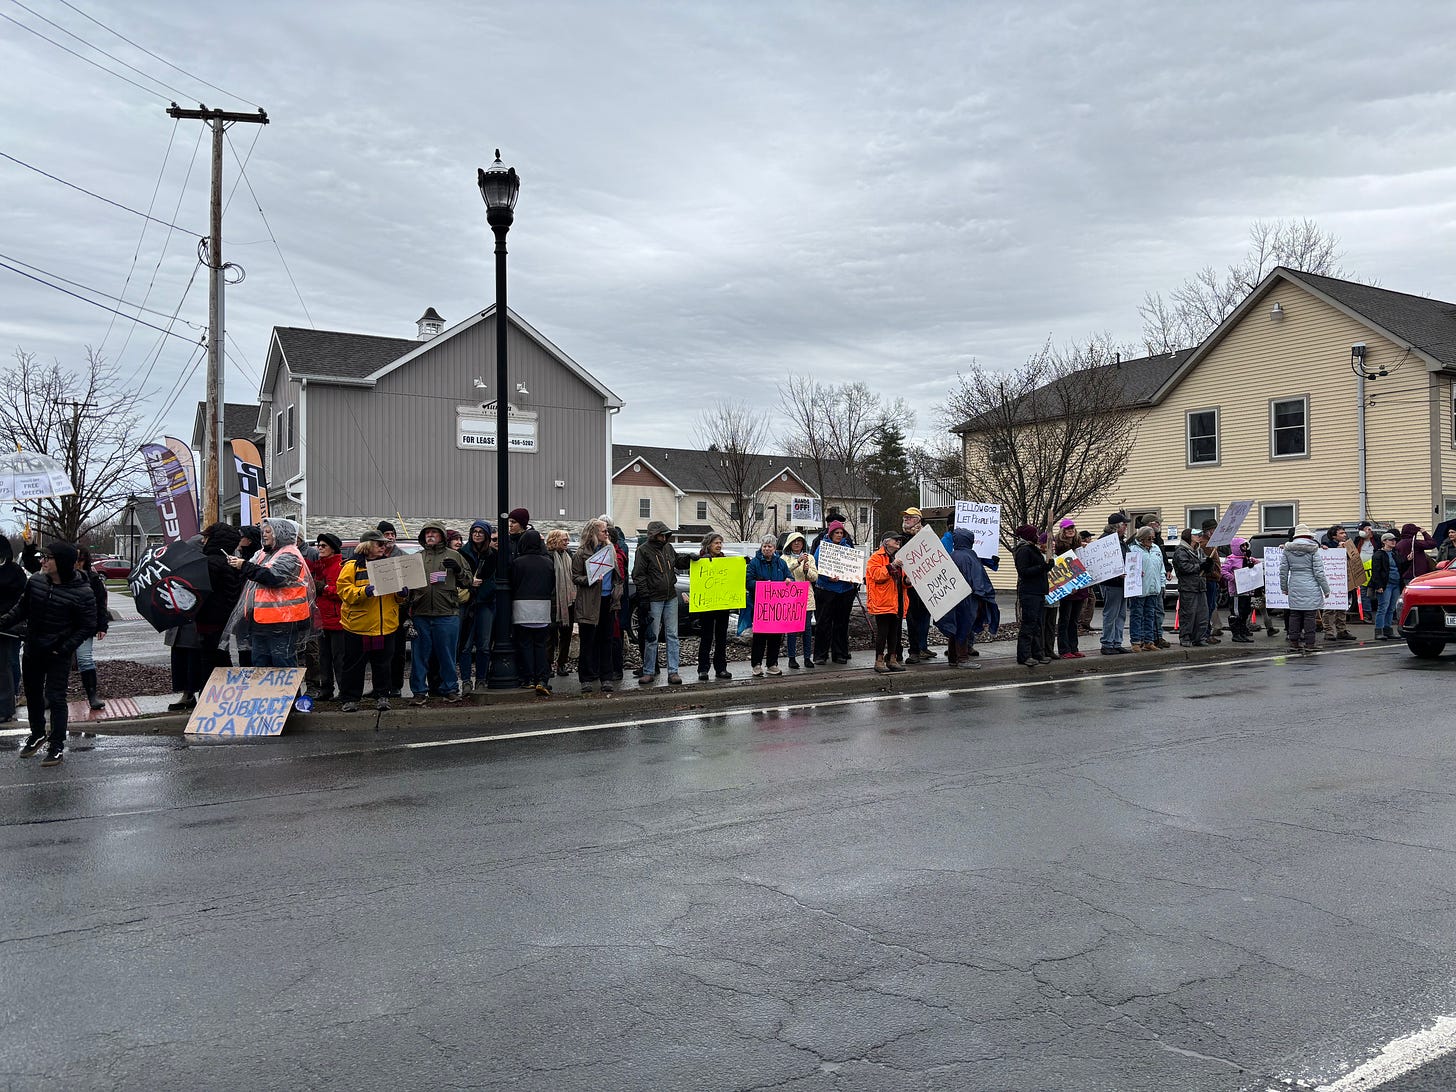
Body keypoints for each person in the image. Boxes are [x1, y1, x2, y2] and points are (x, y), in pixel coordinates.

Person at [1, 541, 95, 766]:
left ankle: (56, 745)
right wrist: (2, 622)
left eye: (47, 558)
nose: (42, 561)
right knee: (33, 695)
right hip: (33, 648)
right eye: (42, 557)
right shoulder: (36, 582)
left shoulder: (83, 591)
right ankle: (37, 734)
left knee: (55, 697)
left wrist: (63, 648)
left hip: (58, 653)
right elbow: (21, 610)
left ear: (61, 562)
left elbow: (87, 626)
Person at [226, 517, 314, 668]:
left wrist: (244, 566)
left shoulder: (290, 554)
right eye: (263, 532)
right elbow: (251, 573)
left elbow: (273, 577)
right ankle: (265, 693)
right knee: (261, 665)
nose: (264, 535)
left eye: (268, 531)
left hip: (283, 621)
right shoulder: (263, 553)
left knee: (283, 666)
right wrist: (237, 565)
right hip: (262, 620)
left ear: (280, 533)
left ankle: (289, 693)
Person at [335, 530, 404, 712]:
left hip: (385, 626)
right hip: (359, 626)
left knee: (383, 664)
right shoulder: (351, 567)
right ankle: (350, 698)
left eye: (384, 544)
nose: (383, 546)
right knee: (354, 665)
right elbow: (343, 592)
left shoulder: (389, 566)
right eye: (378, 544)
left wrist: (402, 594)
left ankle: (382, 696)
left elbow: (396, 598)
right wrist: (363, 592)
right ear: (367, 546)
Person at [407, 521, 468, 705]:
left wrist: (457, 570)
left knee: (447, 655)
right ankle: (419, 692)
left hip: (447, 613)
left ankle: (450, 689)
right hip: (421, 613)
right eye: (427, 533)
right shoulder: (416, 557)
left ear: (442, 535)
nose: (430, 535)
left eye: (434, 532)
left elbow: (468, 580)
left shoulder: (455, 556)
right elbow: (407, 585)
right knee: (419, 656)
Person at [633, 519, 690, 686]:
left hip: (670, 596)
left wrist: (690, 559)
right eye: (662, 535)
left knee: (672, 635)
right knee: (652, 636)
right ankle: (649, 671)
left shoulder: (668, 548)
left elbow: (677, 562)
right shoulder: (643, 551)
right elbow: (639, 575)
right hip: (653, 598)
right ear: (654, 535)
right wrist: (644, 598)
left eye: (665, 535)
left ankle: (673, 671)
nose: (664, 538)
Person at [572, 518, 622, 694]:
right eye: (603, 531)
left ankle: (606, 677)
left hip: (608, 600)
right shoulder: (581, 553)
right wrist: (590, 579)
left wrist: (618, 589)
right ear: (594, 533)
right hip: (589, 602)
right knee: (588, 642)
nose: (607, 533)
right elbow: (575, 577)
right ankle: (586, 678)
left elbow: (617, 575)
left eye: (607, 531)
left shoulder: (610, 551)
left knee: (606, 640)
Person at [193, 522, 244, 689]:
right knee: (219, 655)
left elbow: (204, 593)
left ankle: (215, 695)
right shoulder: (228, 562)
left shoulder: (211, 563)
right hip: (221, 618)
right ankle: (223, 693)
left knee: (211, 659)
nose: (203, 541)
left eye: (206, 537)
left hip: (211, 619)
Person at [938, 528, 997, 668]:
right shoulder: (969, 556)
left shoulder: (952, 555)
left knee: (955, 627)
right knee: (964, 627)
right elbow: (977, 579)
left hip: (953, 598)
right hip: (967, 599)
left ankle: (953, 658)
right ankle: (962, 658)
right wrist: (982, 596)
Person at [509, 528, 555, 696]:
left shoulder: (517, 562)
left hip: (522, 606)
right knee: (541, 644)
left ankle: (528, 678)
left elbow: (512, 584)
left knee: (525, 644)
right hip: (542, 606)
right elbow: (552, 585)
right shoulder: (548, 562)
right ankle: (542, 679)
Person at [457, 520, 497, 691]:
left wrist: (483, 591)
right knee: (465, 644)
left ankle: (481, 679)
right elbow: (455, 578)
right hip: (466, 603)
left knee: (484, 645)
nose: (478, 534)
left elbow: (496, 581)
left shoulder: (494, 555)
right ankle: (466, 680)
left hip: (486, 603)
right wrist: (469, 584)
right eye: (475, 531)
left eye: (481, 532)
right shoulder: (462, 554)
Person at [1281, 524, 1331, 655]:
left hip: (1295, 584)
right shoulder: (1313, 550)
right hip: (1311, 586)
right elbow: (1319, 573)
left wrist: (1284, 588)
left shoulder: (1287, 550)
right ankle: (1310, 644)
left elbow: (1283, 571)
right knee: (1309, 616)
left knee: (1294, 615)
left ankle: (1294, 643)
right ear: (1308, 536)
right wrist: (1326, 589)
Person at [812, 520, 858, 665]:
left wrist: (853, 578)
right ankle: (820, 654)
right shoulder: (822, 548)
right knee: (823, 623)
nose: (839, 535)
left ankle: (840, 653)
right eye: (836, 532)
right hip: (826, 590)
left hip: (844, 590)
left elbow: (853, 567)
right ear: (830, 534)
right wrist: (827, 577)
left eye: (841, 533)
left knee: (841, 623)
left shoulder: (848, 548)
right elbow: (817, 567)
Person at [745, 534, 791, 676]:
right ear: (761, 547)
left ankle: (772, 664)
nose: (767, 549)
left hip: (777, 607)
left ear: (774, 548)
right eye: (764, 546)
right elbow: (748, 582)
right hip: (760, 606)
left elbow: (789, 577)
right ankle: (757, 665)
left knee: (776, 637)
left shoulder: (781, 563)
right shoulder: (754, 563)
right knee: (759, 637)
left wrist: (789, 579)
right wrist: (763, 585)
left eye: (769, 546)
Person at [692, 532, 735, 682]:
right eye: (716, 543)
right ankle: (703, 669)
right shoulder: (701, 560)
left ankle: (721, 668)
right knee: (706, 637)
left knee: (721, 637)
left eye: (720, 543)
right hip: (707, 605)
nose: (719, 545)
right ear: (708, 544)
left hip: (722, 604)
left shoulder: (724, 561)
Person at [309, 533, 346, 701]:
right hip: (322, 620)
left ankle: (344, 691)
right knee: (323, 658)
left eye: (323, 545)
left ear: (333, 548)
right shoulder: (320, 566)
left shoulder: (339, 566)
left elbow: (342, 592)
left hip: (337, 621)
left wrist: (323, 588)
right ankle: (326, 689)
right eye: (318, 545)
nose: (319, 548)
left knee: (339, 659)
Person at [73, 547, 110, 712]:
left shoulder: (93, 579)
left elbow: (101, 603)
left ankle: (92, 695)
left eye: (80, 560)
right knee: (57, 661)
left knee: (85, 659)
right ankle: (49, 696)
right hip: (65, 625)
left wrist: (102, 626)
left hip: (84, 626)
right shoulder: (62, 578)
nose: (77, 564)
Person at [865, 534, 907, 674]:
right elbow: (877, 575)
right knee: (883, 632)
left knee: (895, 632)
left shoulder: (898, 557)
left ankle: (892, 659)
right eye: (895, 539)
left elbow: (903, 579)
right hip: (883, 601)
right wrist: (891, 566)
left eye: (899, 540)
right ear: (886, 542)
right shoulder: (876, 557)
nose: (898, 541)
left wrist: (907, 582)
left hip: (897, 600)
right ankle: (879, 660)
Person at [899, 508, 936, 663]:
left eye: (910, 517)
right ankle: (914, 651)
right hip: (910, 586)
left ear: (918, 519)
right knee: (912, 619)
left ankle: (922, 647)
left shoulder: (927, 536)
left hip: (926, 584)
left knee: (924, 618)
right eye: (905, 517)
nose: (906, 519)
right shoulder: (901, 538)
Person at [1013, 524, 1050, 667]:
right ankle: (1024, 655)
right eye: (1035, 533)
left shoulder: (1033, 549)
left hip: (1038, 591)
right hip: (1030, 593)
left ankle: (1037, 653)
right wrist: (1042, 567)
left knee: (1037, 625)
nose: (1037, 535)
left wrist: (1047, 566)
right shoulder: (1023, 550)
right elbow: (1024, 571)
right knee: (1028, 625)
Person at [1173, 527, 1214, 647]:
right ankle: (1185, 637)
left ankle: (1199, 637)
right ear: (1189, 537)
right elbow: (1184, 567)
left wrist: (1208, 565)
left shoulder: (1199, 551)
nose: (1199, 537)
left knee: (1202, 614)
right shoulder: (1181, 551)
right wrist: (1201, 566)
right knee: (1188, 614)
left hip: (1200, 586)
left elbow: (1204, 567)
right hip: (1188, 587)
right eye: (1196, 535)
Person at [782, 531, 817, 669]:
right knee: (791, 629)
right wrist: (798, 562)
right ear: (790, 544)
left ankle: (807, 657)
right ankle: (792, 657)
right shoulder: (784, 558)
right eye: (794, 541)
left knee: (807, 629)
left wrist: (808, 570)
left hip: (806, 597)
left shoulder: (810, 558)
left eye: (800, 541)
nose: (797, 543)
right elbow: (785, 572)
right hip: (790, 597)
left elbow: (815, 577)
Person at [544, 529, 576, 678]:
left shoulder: (569, 555)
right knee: (550, 636)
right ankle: (548, 664)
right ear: (555, 540)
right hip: (553, 601)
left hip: (568, 601)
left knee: (566, 634)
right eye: (564, 540)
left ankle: (561, 664)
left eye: (567, 540)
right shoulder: (547, 557)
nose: (567, 542)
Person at [0, 536, 26, 724]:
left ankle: (9, 702)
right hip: (7, 622)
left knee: (8, 664)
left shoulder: (15, 572)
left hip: (10, 624)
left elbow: (22, 600)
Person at [1319, 524, 1359, 641]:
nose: (1344, 535)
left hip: (1344, 580)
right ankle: (1328, 631)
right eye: (1341, 533)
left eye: (1344, 533)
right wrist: (1337, 550)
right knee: (1330, 607)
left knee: (1342, 606)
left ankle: (1341, 630)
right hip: (1332, 581)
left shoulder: (1348, 545)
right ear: (1333, 536)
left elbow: (1354, 559)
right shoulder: (1327, 546)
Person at [1126, 526, 1163, 652]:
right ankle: (1136, 641)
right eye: (1149, 538)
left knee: (1150, 615)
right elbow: (1129, 568)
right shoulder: (1133, 549)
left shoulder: (1156, 549)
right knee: (1137, 615)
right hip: (1139, 588)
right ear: (1141, 538)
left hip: (1153, 588)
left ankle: (1149, 640)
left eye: (1153, 538)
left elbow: (1160, 567)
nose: (1152, 540)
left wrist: (1161, 583)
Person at [1098, 513, 1131, 654]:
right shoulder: (1107, 541)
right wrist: (1117, 575)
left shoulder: (1120, 540)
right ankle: (1107, 643)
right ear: (1117, 526)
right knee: (1111, 614)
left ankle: (1116, 642)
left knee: (1121, 614)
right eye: (1124, 525)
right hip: (1112, 584)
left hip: (1122, 583)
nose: (1126, 527)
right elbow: (1104, 564)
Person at [1221, 537, 1256, 644]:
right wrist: (1233, 578)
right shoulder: (1231, 559)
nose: (1244, 547)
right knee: (1237, 612)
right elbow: (1223, 571)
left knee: (1245, 611)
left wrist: (1253, 562)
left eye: (1246, 545)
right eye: (1242, 546)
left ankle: (1242, 630)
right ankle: (1236, 634)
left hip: (1247, 590)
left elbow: (1257, 566)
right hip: (1236, 591)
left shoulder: (1246, 558)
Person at [1370, 532, 1402, 639]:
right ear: (1384, 542)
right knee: (1383, 607)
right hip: (1386, 584)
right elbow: (1376, 572)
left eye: (1394, 540)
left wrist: (1408, 560)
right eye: (1390, 540)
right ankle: (1379, 631)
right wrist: (1378, 586)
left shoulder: (1394, 553)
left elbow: (1400, 566)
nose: (1393, 541)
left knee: (1391, 608)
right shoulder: (1378, 555)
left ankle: (1388, 630)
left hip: (1396, 584)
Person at [1354, 522, 1378, 619]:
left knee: (1378, 591)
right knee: (1363, 592)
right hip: (1362, 570)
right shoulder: (1358, 540)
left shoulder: (1376, 539)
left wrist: (1371, 535)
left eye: (1363, 529)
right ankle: (1367, 613)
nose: (1361, 532)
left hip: (1375, 570)